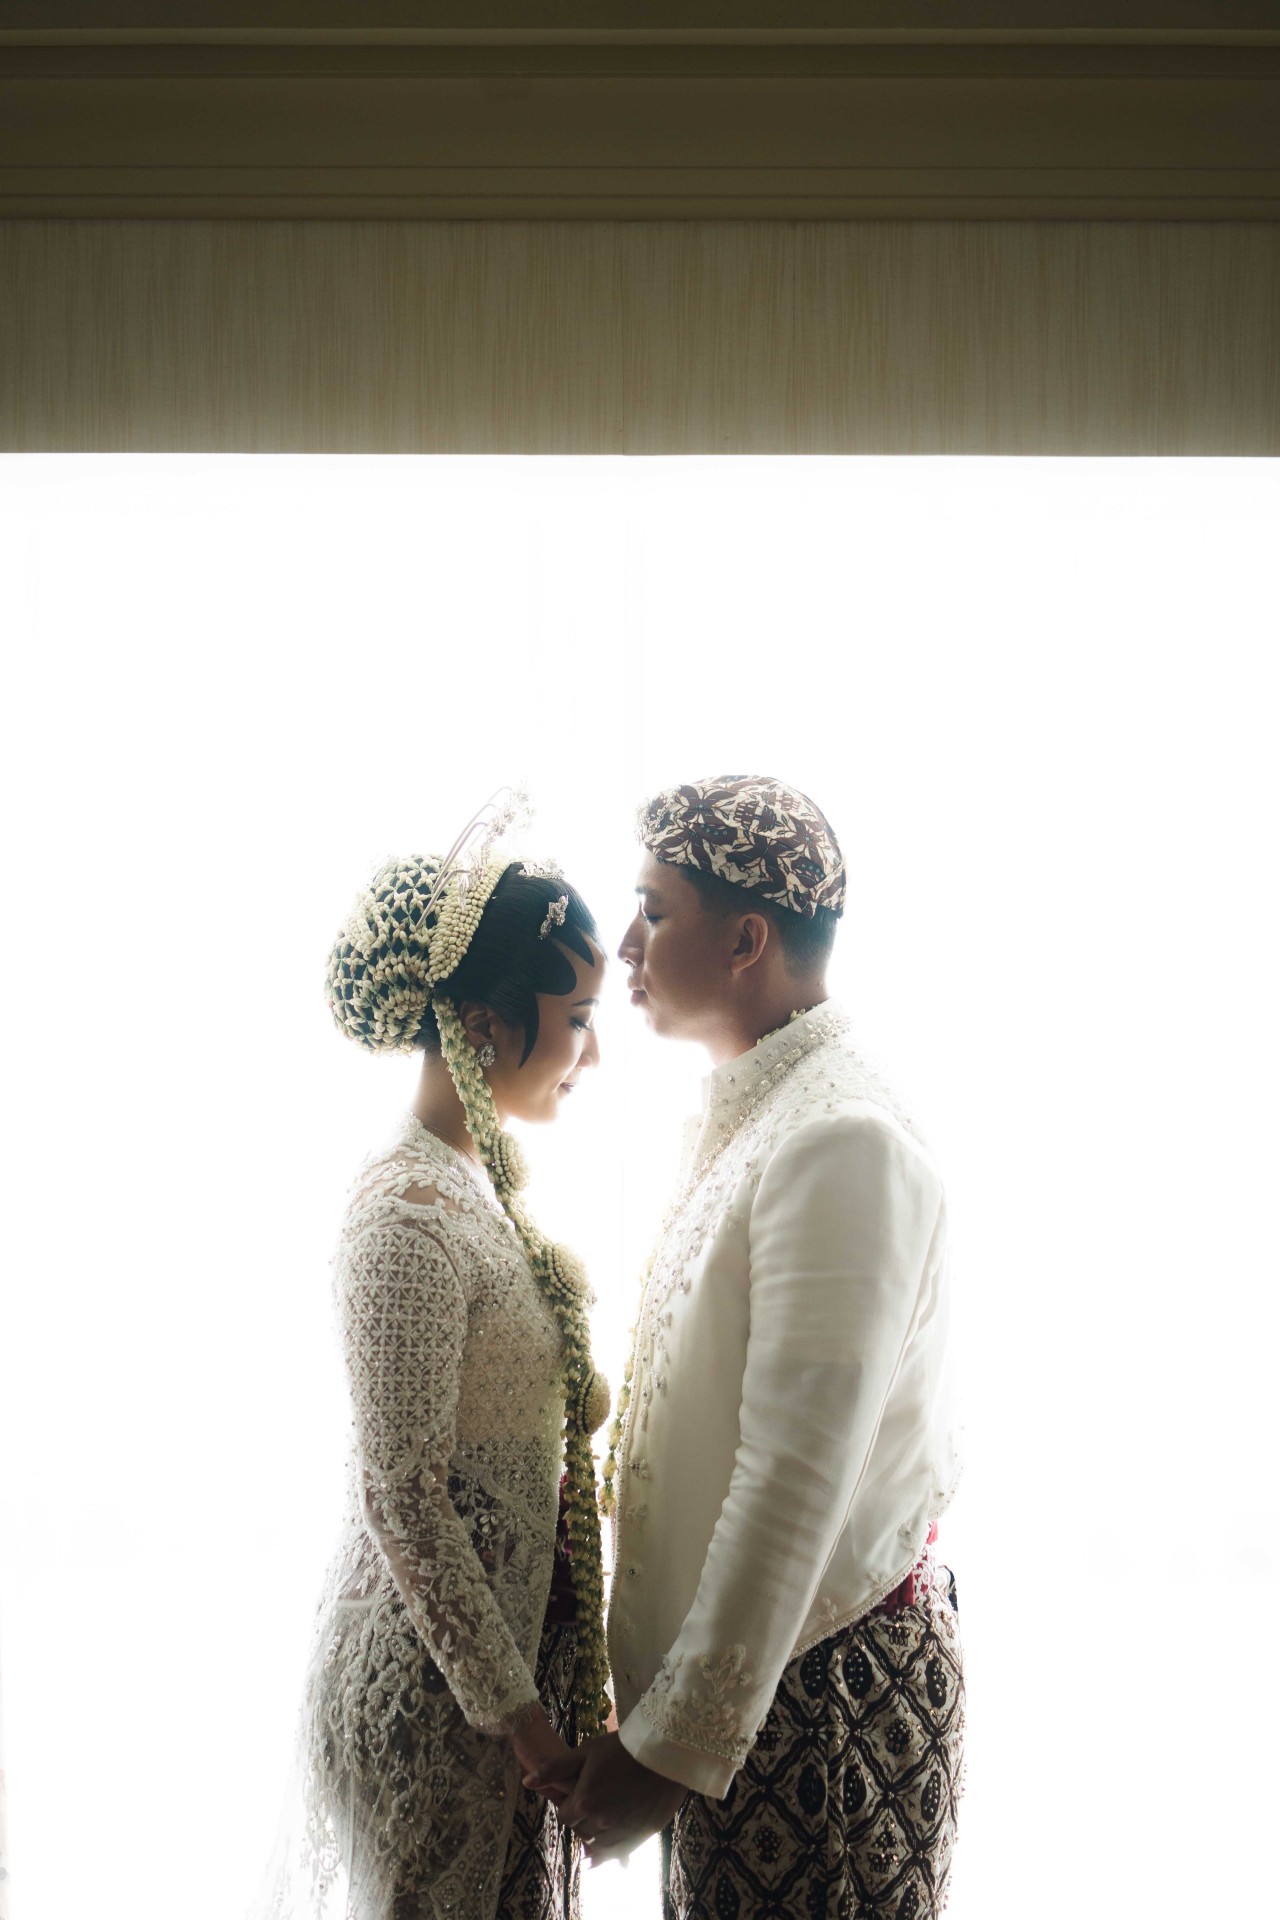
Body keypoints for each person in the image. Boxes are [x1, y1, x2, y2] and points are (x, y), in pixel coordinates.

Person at [531, 774, 964, 1920]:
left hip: (823, 1706)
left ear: (745, 941)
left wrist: (668, 1750)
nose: (623, 947)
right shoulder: (766, 1114)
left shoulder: (841, 1138)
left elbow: (792, 1480)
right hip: (754, 1701)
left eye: (652, 911)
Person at [260, 796, 613, 1920]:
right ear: (486, 1023)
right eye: (577, 1018)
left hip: (488, 1692)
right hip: (430, 1698)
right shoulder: (406, 1213)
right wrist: (525, 1724)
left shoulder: (470, 1184)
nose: (593, 1053)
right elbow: (402, 1493)